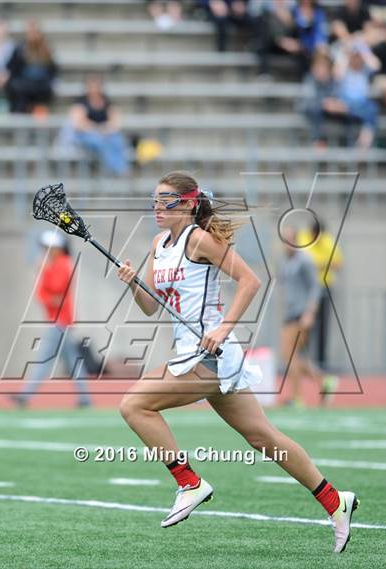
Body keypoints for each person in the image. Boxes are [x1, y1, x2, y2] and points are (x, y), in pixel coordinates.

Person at [116, 170, 359, 552]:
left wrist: (225, 328)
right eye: (155, 199)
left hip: (210, 354)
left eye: (167, 200)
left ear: (190, 204)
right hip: (189, 354)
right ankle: (335, 501)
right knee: (265, 438)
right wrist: (133, 282)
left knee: (133, 405)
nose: (158, 207)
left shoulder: (199, 240)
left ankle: (189, 483)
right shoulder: (158, 243)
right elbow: (150, 307)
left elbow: (250, 281)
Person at [11, 231, 92, 408]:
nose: (45, 251)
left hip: (60, 321)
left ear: (56, 249)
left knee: (44, 359)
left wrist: (43, 270)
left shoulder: (61, 264)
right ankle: (85, 398)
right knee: (72, 361)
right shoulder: (55, 264)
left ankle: (25, 395)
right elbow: (45, 294)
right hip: (58, 321)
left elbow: (54, 291)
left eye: (48, 248)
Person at [278, 226, 337, 406]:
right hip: (290, 312)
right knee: (291, 356)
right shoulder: (284, 261)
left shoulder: (305, 260)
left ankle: (297, 398)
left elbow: (315, 287)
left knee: (290, 355)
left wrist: (309, 313)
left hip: (301, 313)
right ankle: (324, 380)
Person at [297, 218, 343, 375]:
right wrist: (322, 264)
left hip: (324, 288)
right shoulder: (303, 237)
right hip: (305, 289)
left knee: (323, 327)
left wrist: (316, 264)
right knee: (303, 328)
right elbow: (300, 260)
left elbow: (337, 263)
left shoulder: (328, 241)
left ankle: (321, 363)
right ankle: (304, 363)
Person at [65, 75, 129, 175]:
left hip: (104, 133)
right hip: (85, 136)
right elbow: (78, 124)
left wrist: (104, 130)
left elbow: (115, 122)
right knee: (100, 142)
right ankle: (118, 170)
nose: (94, 89)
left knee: (117, 140)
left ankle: (120, 169)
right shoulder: (81, 102)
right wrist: (97, 129)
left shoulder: (107, 102)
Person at [11, 20, 57, 113]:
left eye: (35, 32)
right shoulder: (20, 48)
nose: (33, 35)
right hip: (25, 85)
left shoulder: (46, 48)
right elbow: (14, 68)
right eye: (30, 32)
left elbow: (52, 69)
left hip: (42, 86)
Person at [298, 52, 337, 146]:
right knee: (315, 109)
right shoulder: (309, 79)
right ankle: (318, 141)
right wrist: (323, 103)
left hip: (330, 114)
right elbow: (304, 104)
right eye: (318, 66)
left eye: (324, 67)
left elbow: (336, 98)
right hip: (311, 112)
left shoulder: (332, 81)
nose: (321, 70)